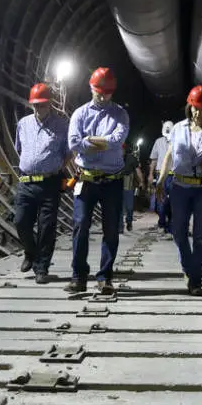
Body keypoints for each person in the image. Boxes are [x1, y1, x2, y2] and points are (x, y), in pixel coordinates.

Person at [156, 85, 202, 295]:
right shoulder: (178, 129)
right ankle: (189, 267)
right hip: (180, 186)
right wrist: (160, 180)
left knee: (201, 236)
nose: (197, 112)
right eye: (194, 107)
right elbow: (169, 155)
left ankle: (195, 281)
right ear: (189, 106)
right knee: (178, 231)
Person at [66, 67, 130, 294]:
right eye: (99, 92)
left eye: (107, 93)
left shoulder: (120, 114)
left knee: (111, 229)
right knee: (80, 225)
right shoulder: (80, 114)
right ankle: (78, 276)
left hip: (112, 181)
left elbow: (117, 140)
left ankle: (104, 277)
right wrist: (100, 141)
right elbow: (73, 143)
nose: (103, 96)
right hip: (86, 179)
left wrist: (89, 140)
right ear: (91, 89)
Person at [13, 82, 70, 283]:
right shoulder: (23, 124)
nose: (38, 109)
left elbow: (68, 153)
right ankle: (30, 252)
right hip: (26, 182)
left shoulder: (62, 126)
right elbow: (19, 149)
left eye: (42, 105)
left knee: (47, 227)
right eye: (35, 105)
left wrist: (54, 168)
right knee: (20, 221)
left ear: (50, 104)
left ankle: (41, 268)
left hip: (49, 183)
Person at [148, 121, 173, 233]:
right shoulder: (158, 142)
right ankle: (162, 222)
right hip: (160, 175)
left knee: (172, 202)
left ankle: (169, 226)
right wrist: (150, 174)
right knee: (159, 202)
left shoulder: (177, 141)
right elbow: (154, 159)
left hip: (173, 176)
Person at [120, 142, 144, 232]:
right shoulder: (114, 157)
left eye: (122, 149)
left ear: (125, 150)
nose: (121, 151)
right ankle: (120, 227)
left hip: (128, 185)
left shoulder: (131, 158)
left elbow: (138, 170)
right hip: (117, 183)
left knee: (129, 207)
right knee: (119, 207)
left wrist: (141, 181)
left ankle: (129, 222)